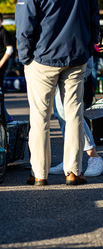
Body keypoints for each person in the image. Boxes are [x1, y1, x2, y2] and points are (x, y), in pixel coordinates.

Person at [16, 0, 100, 186]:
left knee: (39, 118)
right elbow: (94, 19)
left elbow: (25, 23)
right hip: (76, 56)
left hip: (42, 57)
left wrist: (25, 57)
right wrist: (88, 48)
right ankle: (73, 172)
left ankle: (39, 174)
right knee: (74, 115)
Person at [49, 81, 103, 177]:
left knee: (70, 111)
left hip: (73, 67)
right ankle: (70, 159)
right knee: (60, 113)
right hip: (55, 67)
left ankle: (94, 156)